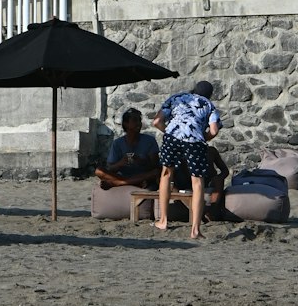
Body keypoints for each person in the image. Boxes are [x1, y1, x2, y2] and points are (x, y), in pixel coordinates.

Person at [153, 77, 222, 240]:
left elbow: (156, 121)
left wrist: (169, 131)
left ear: (194, 90)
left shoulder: (177, 98)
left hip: (172, 137)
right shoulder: (209, 106)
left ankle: (163, 220)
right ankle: (195, 230)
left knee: (166, 174)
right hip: (195, 141)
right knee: (197, 182)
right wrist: (202, 138)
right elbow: (214, 130)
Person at [95, 109, 160, 189]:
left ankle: (119, 183)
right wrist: (121, 163)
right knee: (99, 171)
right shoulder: (117, 143)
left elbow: (155, 166)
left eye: (139, 121)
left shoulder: (149, 140)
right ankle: (131, 183)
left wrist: (142, 162)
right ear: (126, 124)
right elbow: (110, 168)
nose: (139, 124)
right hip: (125, 176)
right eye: (135, 121)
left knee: (156, 172)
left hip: (143, 175)